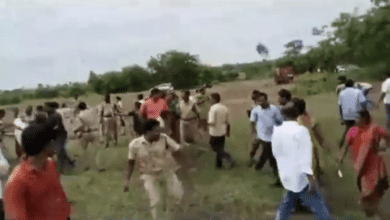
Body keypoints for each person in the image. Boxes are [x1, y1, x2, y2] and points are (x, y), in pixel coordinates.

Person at [124, 119, 195, 220]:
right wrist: (127, 181)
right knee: (156, 202)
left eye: (159, 130)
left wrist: (187, 164)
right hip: (149, 176)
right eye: (156, 131)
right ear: (147, 132)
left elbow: (178, 150)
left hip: (166, 172)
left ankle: (172, 217)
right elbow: (130, 163)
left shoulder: (164, 138)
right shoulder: (134, 145)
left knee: (177, 196)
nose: (159, 134)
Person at [272, 103, 332, 220]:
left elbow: (276, 153)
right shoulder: (301, 131)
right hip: (300, 174)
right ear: (297, 115)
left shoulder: (277, 131)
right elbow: (305, 157)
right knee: (317, 202)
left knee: (288, 201)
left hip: (286, 171)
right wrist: (311, 177)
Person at [4, 120, 74, 220]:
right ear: (44, 147)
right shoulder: (17, 180)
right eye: (51, 141)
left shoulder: (51, 165)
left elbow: (59, 196)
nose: (54, 143)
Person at [339, 110, 390, 219]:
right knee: (367, 196)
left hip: (373, 167)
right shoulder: (353, 131)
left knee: (370, 195)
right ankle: (375, 213)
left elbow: (388, 138)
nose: (356, 120)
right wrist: (341, 157)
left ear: (365, 118)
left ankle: (379, 214)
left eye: (358, 117)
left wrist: (382, 147)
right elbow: (346, 146)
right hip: (360, 168)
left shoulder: (374, 129)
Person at [249, 92, 284, 187]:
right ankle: (278, 176)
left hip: (273, 136)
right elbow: (252, 122)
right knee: (270, 156)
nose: (260, 102)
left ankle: (258, 166)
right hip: (262, 137)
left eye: (262, 100)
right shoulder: (255, 110)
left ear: (266, 99)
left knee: (267, 154)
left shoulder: (274, 109)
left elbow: (280, 121)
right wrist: (253, 134)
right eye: (258, 101)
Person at [44, 102, 75, 174]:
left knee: (59, 151)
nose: (44, 108)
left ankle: (61, 170)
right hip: (56, 136)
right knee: (61, 151)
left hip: (60, 135)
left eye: (45, 106)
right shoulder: (49, 115)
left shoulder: (55, 116)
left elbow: (53, 127)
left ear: (50, 107)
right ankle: (71, 163)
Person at [208, 93, 235, 169]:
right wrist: (228, 132)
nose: (209, 100)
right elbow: (228, 121)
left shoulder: (213, 109)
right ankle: (218, 165)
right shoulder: (224, 107)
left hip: (214, 133)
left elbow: (211, 122)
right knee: (220, 148)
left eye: (210, 99)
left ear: (214, 99)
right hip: (222, 132)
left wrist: (206, 125)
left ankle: (227, 156)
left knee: (214, 148)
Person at [73, 102, 103, 171]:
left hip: (85, 134)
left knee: (84, 151)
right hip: (94, 132)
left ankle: (86, 166)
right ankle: (99, 166)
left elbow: (79, 126)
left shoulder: (79, 115)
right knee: (98, 151)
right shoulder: (92, 111)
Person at [338, 79, 367, 149]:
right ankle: (359, 144)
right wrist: (364, 112)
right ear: (353, 85)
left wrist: (342, 116)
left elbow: (340, 106)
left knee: (347, 129)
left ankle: (341, 143)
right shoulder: (358, 92)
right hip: (357, 114)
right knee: (360, 129)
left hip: (346, 114)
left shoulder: (341, 93)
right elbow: (363, 103)